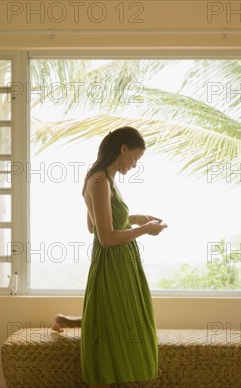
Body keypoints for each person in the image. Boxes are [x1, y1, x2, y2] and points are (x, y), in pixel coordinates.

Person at [52, 126, 167, 387]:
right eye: (135, 158)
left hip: (117, 261)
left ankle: (76, 321)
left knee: (118, 315)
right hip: (114, 261)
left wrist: (133, 217)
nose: (135, 165)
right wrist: (145, 230)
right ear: (123, 149)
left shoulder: (102, 178)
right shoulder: (101, 180)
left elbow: (93, 226)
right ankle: (123, 374)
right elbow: (105, 237)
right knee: (128, 321)